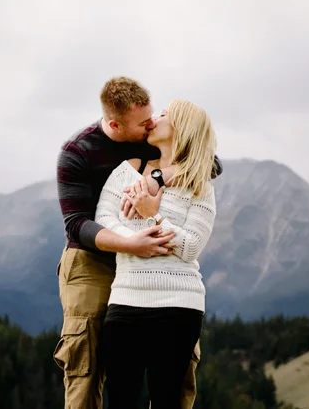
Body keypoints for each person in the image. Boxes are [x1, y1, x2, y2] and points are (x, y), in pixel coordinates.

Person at [53, 77, 219, 409]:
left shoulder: (151, 142)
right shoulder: (77, 152)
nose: (151, 124)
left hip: (163, 277)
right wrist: (133, 242)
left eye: (154, 115)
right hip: (92, 258)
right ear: (116, 124)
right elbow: (78, 224)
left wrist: (157, 179)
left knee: (178, 379)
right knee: (86, 365)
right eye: (144, 123)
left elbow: (205, 162)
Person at [95, 99, 218, 409]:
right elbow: (104, 220)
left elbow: (191, 247)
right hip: (126, 299)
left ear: (181, 128)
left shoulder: (200, 186)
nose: (154, 119)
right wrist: (135, 241)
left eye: (163, 114)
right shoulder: (128, 172)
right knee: (120, 399)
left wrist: (154, 215)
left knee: (166, 399)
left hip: (179, 306)